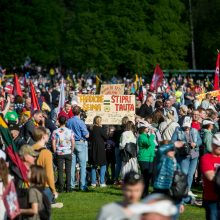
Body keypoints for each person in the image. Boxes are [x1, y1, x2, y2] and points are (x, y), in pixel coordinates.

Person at [171, 116, 202, 197]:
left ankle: (188, 190)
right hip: (184, 155)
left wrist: (195, 144)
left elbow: (200, 141)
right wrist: (183, 143)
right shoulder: (178, 130)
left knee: (191, 174)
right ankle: (182, 190)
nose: (186, 128)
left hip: (194, 154)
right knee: (184, 173)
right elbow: (173, 141)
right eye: (185, 126)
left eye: (188, 126)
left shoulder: (195, 131)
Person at [32, 127, 58, 203]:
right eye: (47, 135)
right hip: (44, 187)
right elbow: (49, 174)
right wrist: (53, 190)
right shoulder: (46, 153)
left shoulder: (29, 150)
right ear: (43, 136)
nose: (48, 136)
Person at [67, 106, 89, 191]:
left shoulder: (68, 121)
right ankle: (82, 185)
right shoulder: (80, 122)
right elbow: (86, 134)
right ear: (79, 113)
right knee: (82, 165)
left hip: (71, 143)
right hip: (80, 143)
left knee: (72, 166)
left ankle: (71, 185)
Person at [52, 116, 75, 192]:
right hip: (68, 152)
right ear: (66, 122)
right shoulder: (70, 131)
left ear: (58, 121)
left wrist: (55, 151)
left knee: (60, 171)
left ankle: (61, 188)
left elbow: (53, 142)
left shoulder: (55, 131)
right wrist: (71, 150)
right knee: (68, 171)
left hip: (59, 152)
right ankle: (68, 188)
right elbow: (73, 142)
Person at [200, 133, 220, 220]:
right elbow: (210, 176)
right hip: (212, 198)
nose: (219, 147)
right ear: (212, 144)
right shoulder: (206, 158)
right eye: (217, 145)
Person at [137, 121, 156, 196]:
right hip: (144, 159)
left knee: (149, 176)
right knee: (145, 177)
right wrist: (152, 135)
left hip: (150, 158)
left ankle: (145, 192)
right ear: (143, 128)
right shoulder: (141, 136)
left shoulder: (147, 136)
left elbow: (152, 144)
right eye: (147, 127)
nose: (148, 128)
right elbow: (148, 143)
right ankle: (143, 192)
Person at [89, 116, 108, 187]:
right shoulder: (100, 129)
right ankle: (102, 182)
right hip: (100, 148)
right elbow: (106, 137)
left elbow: (90, 138)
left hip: (93, 148)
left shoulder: (91, 129)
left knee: (93, 165)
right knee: (103, 165)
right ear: (99, 121)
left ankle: (93, 182)